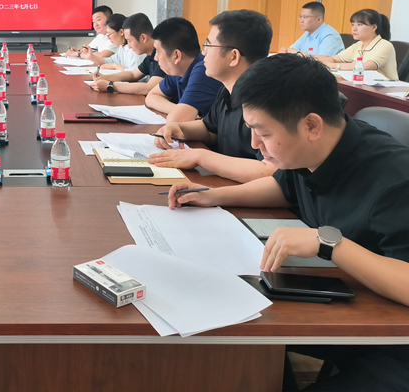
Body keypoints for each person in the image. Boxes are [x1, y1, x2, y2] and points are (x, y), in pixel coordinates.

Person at [167, 53, 409, 391]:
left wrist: (328, 244)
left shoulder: (394, 182)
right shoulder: (310, 151)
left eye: (263, 132)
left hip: (392, 342)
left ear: (311, 126)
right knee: (220, 334)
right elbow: (283, 188)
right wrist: (215, 196)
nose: (255, 144)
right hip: (346, 312)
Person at [149, 10, 276, 183]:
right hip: (224, 185)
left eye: (208, 46)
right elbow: (210, 130)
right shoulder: (226, 91)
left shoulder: (265, 102)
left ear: (233, 57)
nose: (203, 53)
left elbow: (270, 170)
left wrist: (200, 157)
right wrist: (179, 128)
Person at [145, 17, 223, 122]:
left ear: (176, 56)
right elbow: (151, 97)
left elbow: (177, 119)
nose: (155, 58)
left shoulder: (203, 70)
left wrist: (180, 112)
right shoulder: (180, 69)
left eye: (158, 51)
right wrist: (178, 110)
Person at [91, 13, 167, 96]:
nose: (129, 46)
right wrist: (103, 77)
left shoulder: (162, 56)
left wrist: (110, 85)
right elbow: (132, 74)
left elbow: (148, 88)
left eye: (130, 41)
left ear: (143, 38)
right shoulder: (150, 56)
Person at [315, 9, 398, 80]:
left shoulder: (385, 45)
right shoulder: (358, 45)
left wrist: (335, 66)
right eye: (353, 24)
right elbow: (332, 59)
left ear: (374, 27)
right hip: (362, 86)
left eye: (359, 25)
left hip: (386, 90)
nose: (354, 29)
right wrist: (328, 63)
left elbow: (366, 66)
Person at [280, 1, 344, 57]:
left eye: (305, 17)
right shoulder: (308, 33)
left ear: (318, 19)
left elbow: (322, 60)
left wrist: (296, 53)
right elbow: (292, 49)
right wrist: (285, 50)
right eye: (300, 17)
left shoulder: (330, 36)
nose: (301, 21)